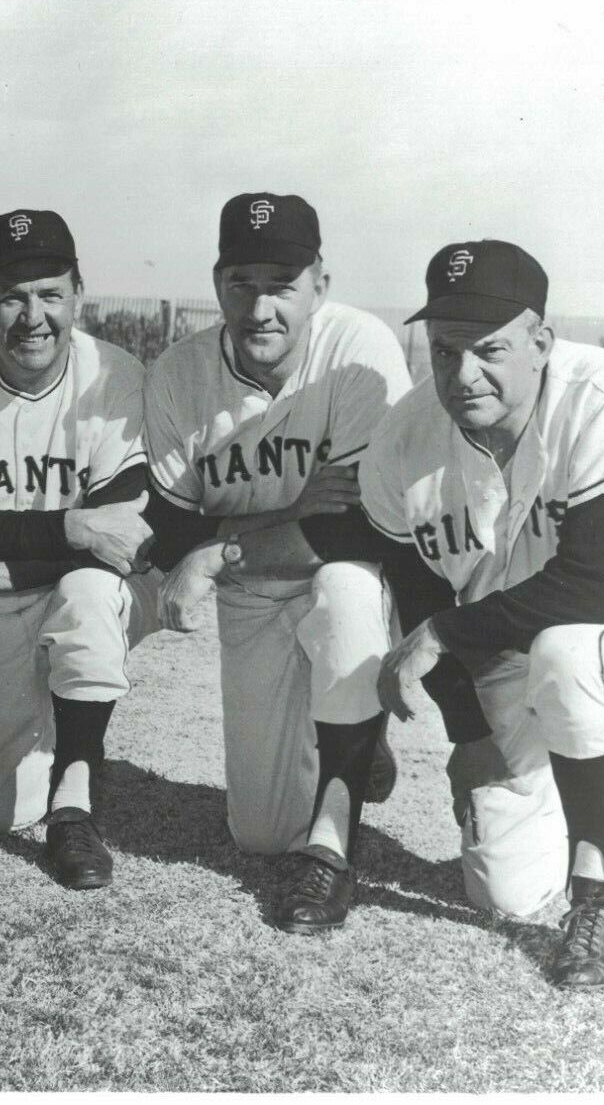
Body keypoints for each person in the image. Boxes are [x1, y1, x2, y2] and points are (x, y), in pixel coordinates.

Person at [360, 239, 604, 989]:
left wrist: (445, 633)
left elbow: (593, 586)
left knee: (569, 652)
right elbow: (419, 603)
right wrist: (470, 735)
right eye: (445, 351)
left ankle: (598, 892)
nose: (463, 372)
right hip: (502, 639)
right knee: (505, 892)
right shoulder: (402, 440)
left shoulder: (603, 391)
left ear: (541, 341)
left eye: (489, 349)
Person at [144, 191, 413, 933]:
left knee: (347, 589)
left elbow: (360, 530)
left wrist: (223, 541)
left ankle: (330, 845)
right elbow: (169, 529)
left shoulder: (359, 350)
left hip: (333, 576)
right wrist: (290, 515)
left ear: (319, 286)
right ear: (217, 284)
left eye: (282, 286)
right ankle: (356, 731)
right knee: (259, 836)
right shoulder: (179, 373)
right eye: (243, 284)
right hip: (252, 590)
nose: (261, 307)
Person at [0, 208, 157, 889]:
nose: (32, 316)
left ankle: (75, 799)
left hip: (102, 584)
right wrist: (67, 529)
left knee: (88, 591)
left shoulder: (116, 374)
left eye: (50, 293)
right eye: (12, 296)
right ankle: (48, 721)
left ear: (78, 294)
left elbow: (121, 539)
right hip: (16, 585)